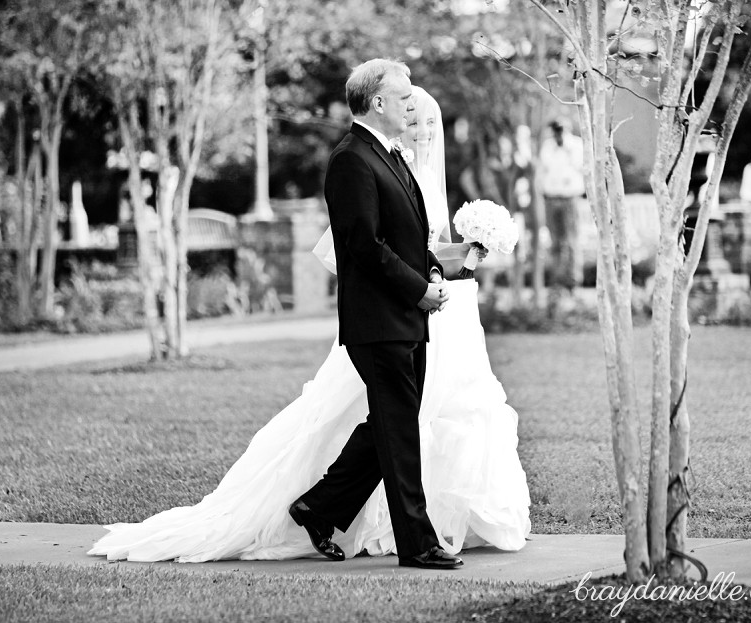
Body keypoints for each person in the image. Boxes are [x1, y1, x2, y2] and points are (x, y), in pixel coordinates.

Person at [88, 73, 531, 567]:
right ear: (378, 101)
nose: (413, 105)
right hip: (379, 321)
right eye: (404, 97)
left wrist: (434, 271)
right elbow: (363, 246)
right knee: (400, 430)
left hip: (409, 316)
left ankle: (318, 507)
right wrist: (419, 289)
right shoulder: (351, 160)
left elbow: (406, 239)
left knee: (390, 425)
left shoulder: (392, 154)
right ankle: (418, 544)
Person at [536, 118, 584, 290]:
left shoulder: (576, 146)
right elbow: (542, 171)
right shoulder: (548, 147)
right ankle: (556, 281)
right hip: (551, 198)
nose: (558, 134)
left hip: (569, 199)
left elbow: (581, 167)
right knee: (554, 242)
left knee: (571, 241)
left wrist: (567, 148)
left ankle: (573, 281)